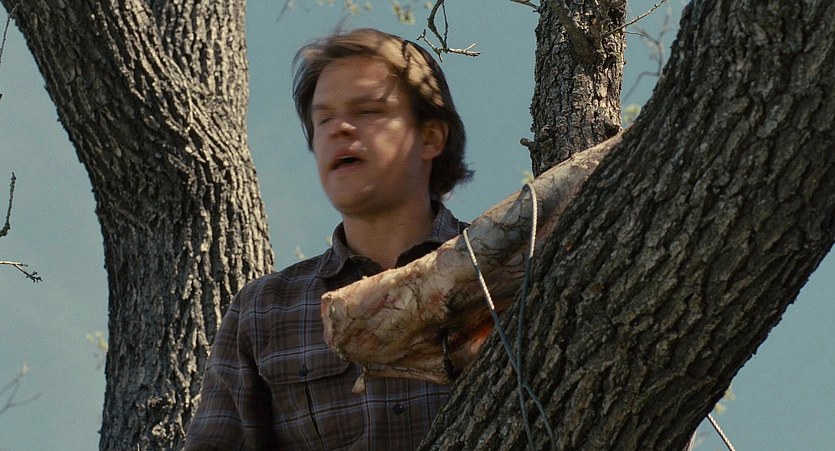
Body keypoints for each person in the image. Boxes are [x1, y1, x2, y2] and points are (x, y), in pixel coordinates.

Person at [184, 28, 472, 450]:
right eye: (323, 119)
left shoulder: (508, 266)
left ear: (430, 136)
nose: (340, 128)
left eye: (367, 110)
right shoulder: (264, 311)